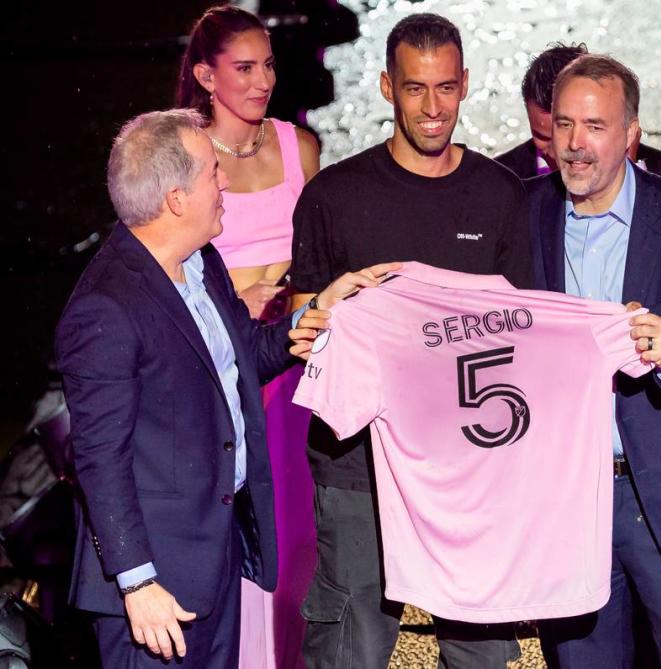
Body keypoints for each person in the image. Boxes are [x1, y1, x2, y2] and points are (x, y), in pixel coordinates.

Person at [54, 108, 393, 667]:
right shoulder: (105, 309)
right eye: (213, 171)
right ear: (177, 199)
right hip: (155, 593)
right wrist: (138, 586)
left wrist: (310, 317)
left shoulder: (201, 261)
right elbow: (99, 462)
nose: (226, 183)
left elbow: (241, 359)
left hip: (214, 557)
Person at [290, 12, 530, 669]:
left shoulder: (499, 195)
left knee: (479, 648)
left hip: (468, 467)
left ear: (466, 85)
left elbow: (525, 333)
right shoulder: (332, 196)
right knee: (351, 641)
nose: (432, 107)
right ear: (385, 87)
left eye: (445, 88)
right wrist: (323, 310)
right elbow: (299, 326)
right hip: (356, 464)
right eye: (415, 88)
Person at [527, 54, 661, 668]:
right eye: (564, 125)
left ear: (631, 135)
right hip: (567, 503)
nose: (575, 144)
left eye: (595, 127)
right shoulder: (522, 214)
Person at [177, 6, 320, 667]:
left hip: (290, 367)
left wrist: (296, 300)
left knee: (291, 535)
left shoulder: (299, 145)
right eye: (243, 67)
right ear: (207, 75)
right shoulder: (182, 152)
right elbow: (163, 269)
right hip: (216, 369)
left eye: (267, 64)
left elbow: (323, 258)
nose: (261, 79)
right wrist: (236, 301)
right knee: (229, 525)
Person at [495, 43, 661, 184]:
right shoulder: (499, 177)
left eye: (568, 128)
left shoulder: (657, 168)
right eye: (542, 136)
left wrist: (624, 175)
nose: (558, 150)